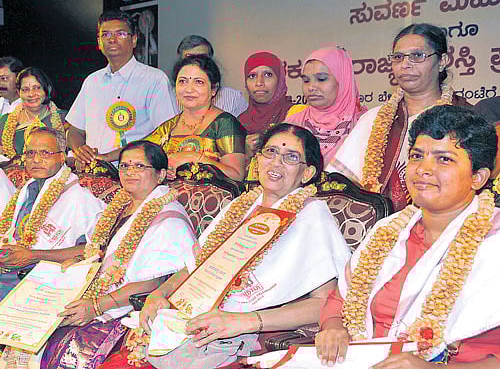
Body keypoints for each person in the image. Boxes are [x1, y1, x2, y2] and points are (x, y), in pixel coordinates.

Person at [99, 123, 351, 369]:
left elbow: (325, 303)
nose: (276, 163)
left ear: (307, 173)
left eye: (291, 157)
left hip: (250, 334)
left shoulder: (312, 215)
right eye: (271, 152)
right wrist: (159, 294)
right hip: (197, 319)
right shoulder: (241, 206)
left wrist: (242, 322)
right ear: (257, 160)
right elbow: (195, 267)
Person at [316, 105, 500, 368]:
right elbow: (341, 300)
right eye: (416, 156)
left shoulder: (494, 243)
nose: (423, 169)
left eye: (444, 159)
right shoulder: (388, 229)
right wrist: (333, 326)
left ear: (478, 177)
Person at [33, 140, 197, 369]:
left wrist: (97, 307)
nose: (130, 172)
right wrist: (78, 261)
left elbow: (156, 280)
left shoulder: (169, 219)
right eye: (124, 166)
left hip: (126, 309)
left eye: (140, 166)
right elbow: (98, 250)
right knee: (35, 322)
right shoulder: (120, 205)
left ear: (160, 175)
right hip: (90, 292)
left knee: (63, 346)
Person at [329, 23, 470, 211]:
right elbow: (338, 185)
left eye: (417, 56)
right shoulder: (374, 119)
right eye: (398, 57)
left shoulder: (467, 118)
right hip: (374, 230)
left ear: (442, 61)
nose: (405, 64)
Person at [0, 127, 104, 300]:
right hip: (9, 272)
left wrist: (34, 256)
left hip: (42, 281)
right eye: (30, 153)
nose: (36, 160)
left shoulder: (79, 198)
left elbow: (90, 251)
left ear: (62, 156)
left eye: (45, 153)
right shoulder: (27, 189)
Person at [66, 9, 178, 166]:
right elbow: (75, 130)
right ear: (98, 42)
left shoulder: (154, 80)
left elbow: (165, 135)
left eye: (120, 34)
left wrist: (110, 156)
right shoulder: (92, 81)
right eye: (105, 34)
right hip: (91, 173)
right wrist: (80, 150)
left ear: (134, 40)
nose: (112, 39)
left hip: (135, 174)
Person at [145, 55, 246, 182]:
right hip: (166, 198)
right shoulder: (169, 127)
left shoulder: (224, 123)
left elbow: (236, 175)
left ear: (213, 89)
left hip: (210, 199)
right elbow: (139, 153)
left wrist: (194, 157)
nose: (189, 89)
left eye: (199, 82)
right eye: (182, 81)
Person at [285, 46, 367, 166]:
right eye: (306, 80)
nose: (311, 87)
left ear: (343, 80)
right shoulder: (293, 123)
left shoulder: (363, 124)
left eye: (321, 79)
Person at [239, 51, 294, 168]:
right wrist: (245, 154)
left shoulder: (295, 117)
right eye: (252, 76)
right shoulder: (239, 123)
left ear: (280, 80)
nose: (259, 83)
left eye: (268, 75)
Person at [0, 67, 65, 160]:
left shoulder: (63, 119)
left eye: (37, 88)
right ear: (19, 92)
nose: (31, 94)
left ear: (48, 89)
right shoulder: (4, 121)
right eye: (25, 89)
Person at [176, 35, 248, 117]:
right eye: (189, 59)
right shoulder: (168, 96)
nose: (195, 64)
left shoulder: (233, 98)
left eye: (202, 58)